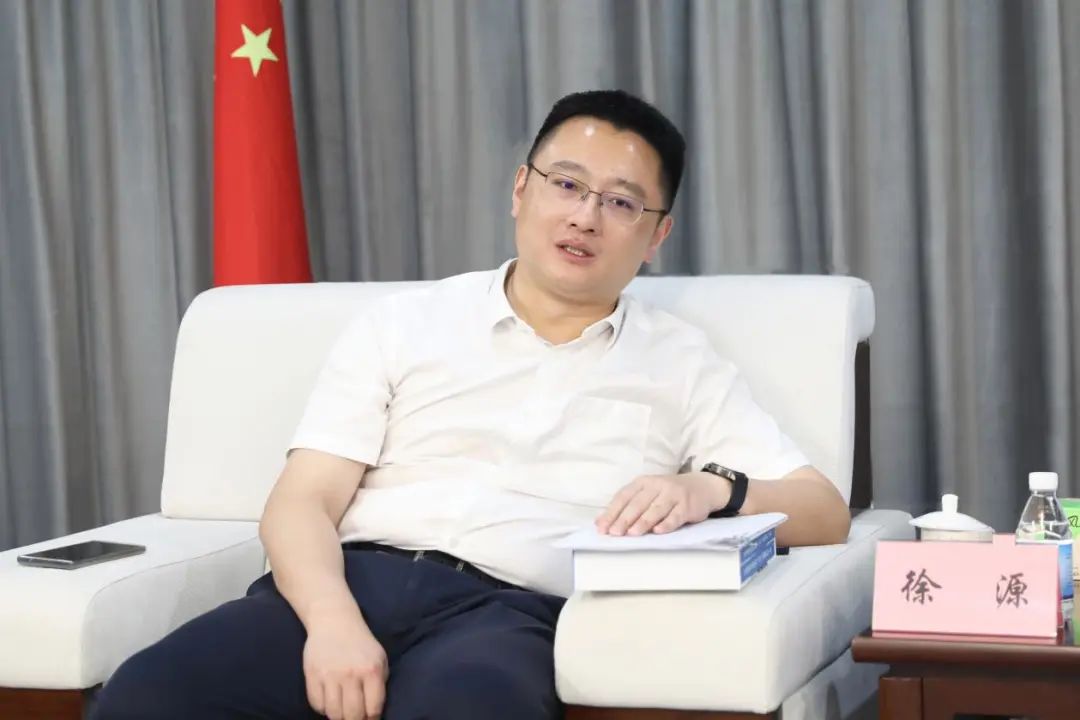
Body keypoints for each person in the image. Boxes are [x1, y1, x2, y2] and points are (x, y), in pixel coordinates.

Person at [92, 89, 850, 720]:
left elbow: (825, 511)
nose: (585, 217)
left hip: (507, 613)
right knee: (145, 696)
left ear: (657, 236)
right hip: (344, 585)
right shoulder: (405, 323)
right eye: (566, 185)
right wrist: (333, 625)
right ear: (521, 188)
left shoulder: (679, 360)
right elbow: (301, 502)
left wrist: (709, 490)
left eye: (621, 202)